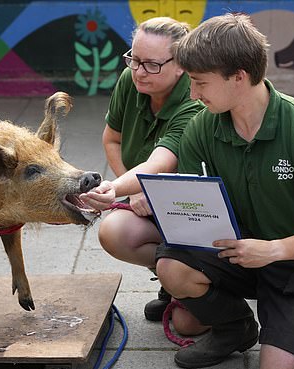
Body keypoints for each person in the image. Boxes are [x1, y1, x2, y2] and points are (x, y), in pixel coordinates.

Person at [149, 13, 294, 369]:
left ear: (239, 76)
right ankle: (236, 329)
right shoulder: (203, 127)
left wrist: (275, 250)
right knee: (173, 270)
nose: (193, 94)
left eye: (199, 83)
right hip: (241, 248)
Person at [86, 17, 205, 333]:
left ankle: (204, 281)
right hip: (150, 198)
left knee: (188, 325)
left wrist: (117, 187)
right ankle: (172, 277)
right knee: (112, 232)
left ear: (180, 65)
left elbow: (160, 163)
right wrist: (134, 189)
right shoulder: (131, 80)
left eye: (151, 64)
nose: (138, 71)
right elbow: (111, 139)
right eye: (134, 59)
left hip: (192, 209)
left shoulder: (194, 99)